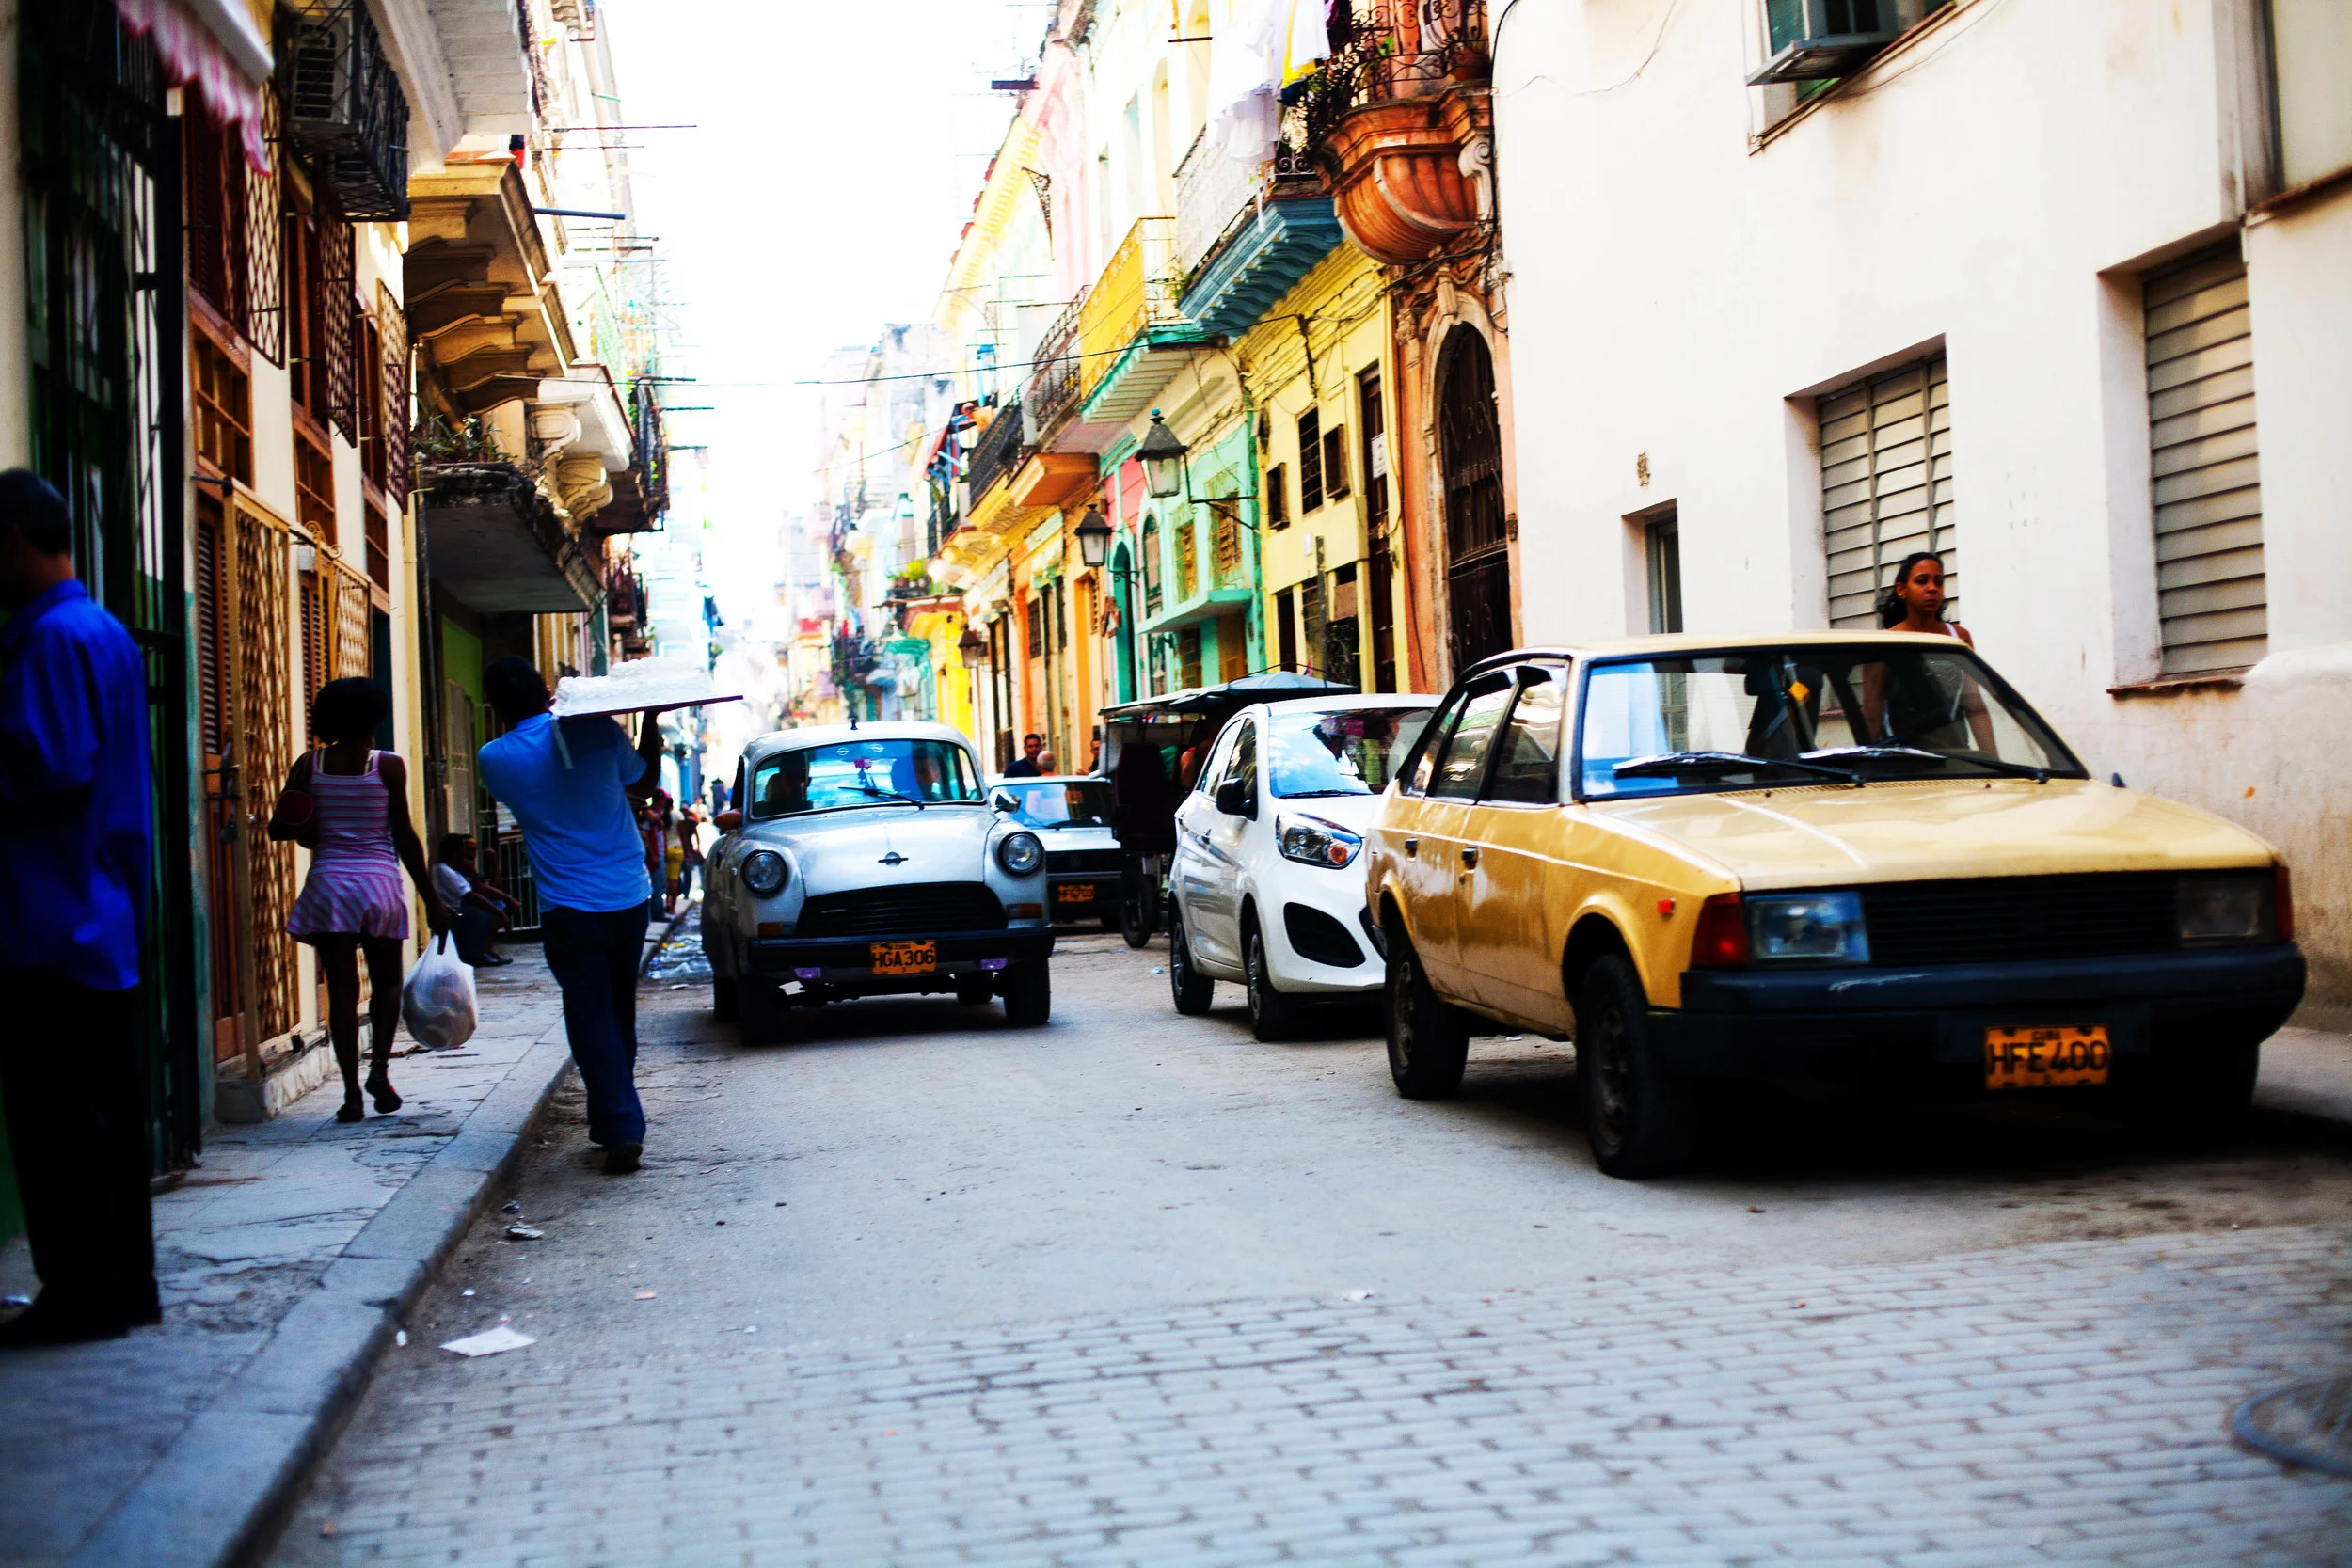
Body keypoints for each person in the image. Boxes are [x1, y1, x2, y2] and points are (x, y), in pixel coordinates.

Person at [0, 469, 162, 1347]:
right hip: (99, 914)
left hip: (48, 917)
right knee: (103, 1117)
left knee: (58, 1121)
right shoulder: (100, 632)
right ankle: (121, 1285)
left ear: (14, 542)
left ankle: (81, 1292)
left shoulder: (50, 640)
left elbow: (47, 766)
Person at [477, 657, 665, 1174]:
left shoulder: (494, 758)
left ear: (496, 707)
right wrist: (650, 721)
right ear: (548, 691)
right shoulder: (596, 728)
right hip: (628, 896)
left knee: (589, 1014)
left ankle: (619, 1123)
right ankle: (613, 1122)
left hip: (567, 907)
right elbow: (645, 784)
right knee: (618, 1010)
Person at [271, 679, 448, 1121]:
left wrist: (303, 823)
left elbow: (283, 827)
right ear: (375, 718)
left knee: (341, 992)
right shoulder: (388, 766)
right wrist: (431, 899)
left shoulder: (308, 764)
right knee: (386, 984)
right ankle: (379, 1072)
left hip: (330, 886)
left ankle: (351, 1095)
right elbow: (404, 836)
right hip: (379, 885)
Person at [1867, 551, 1995, 752]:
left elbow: (1974, 706)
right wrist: (1864, 763)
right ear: (1902, 590)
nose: (1932, 588)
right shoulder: (1882, 643)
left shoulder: (1958, 637)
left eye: (1939, 582)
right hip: (1903, 759)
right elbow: (1872, 716)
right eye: (1922, 581)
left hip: (1957, 757)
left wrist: (1993, 759)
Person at [434, 834, 519, 968]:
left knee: (496, 905)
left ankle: (483, 951)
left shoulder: (455, 870)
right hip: (454, 914)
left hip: (458, 911)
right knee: (486, 912)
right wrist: (499, 912)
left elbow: (486, 889)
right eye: (465, 849)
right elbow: (471, 895)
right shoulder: (446, 871)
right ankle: (477, 953)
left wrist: (493, 864)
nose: (469, 854)